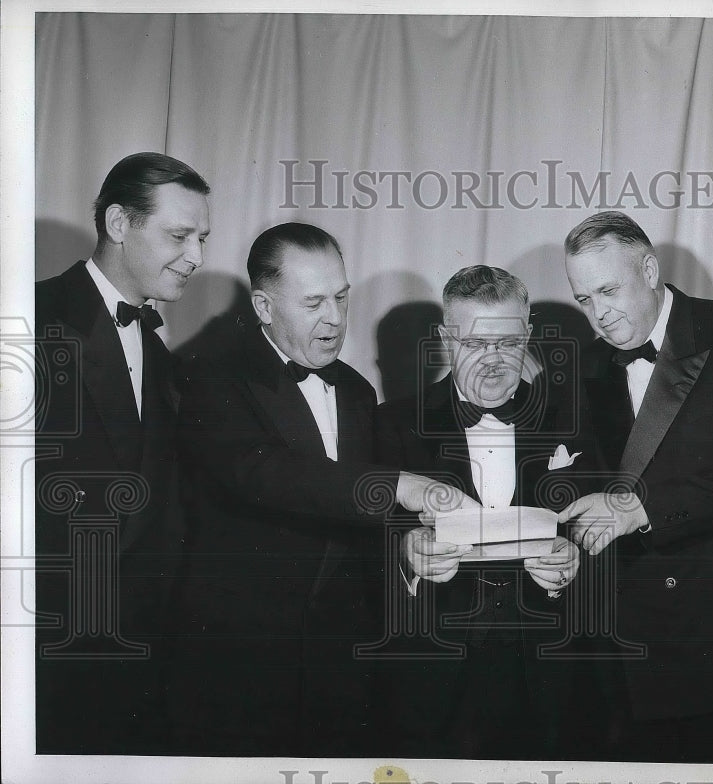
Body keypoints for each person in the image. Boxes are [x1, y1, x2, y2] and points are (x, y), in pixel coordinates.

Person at [164, 222, 473, 756]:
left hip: (342, 663)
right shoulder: (207, 378)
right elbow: (265, 473)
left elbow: (361, 518)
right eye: (313, 304)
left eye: (341, 297)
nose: (335, 319)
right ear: (263, 307)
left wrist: (407, 547)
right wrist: (399, 484)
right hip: (243, 666)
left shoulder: (353, 388)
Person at [557, 210, 713, 763]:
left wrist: (640, 508)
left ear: (649, 268)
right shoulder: (580, 368)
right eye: (584, 300)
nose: (599, 314)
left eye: (608, 290)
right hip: (626, 649)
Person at [372, 265, 594, 760]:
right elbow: (356, 546)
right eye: (474, 345)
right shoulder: (390, 425)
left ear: (530, 335)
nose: (493, 362)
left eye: (509, 343)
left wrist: (575, 557)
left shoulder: (574, 419)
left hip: (550, 673)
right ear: (447, 339)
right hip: (433, 673)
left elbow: (601, 529)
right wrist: (408, 552)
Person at [33, 151, 211, 754]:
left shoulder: (163, 357)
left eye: (202, 238)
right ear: (117, 223)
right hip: (42, 654)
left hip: (136, 659)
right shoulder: (28, 319)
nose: (197, 257)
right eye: (180, 235)